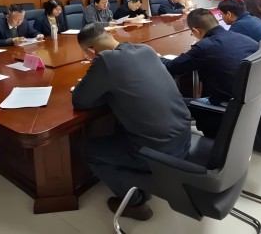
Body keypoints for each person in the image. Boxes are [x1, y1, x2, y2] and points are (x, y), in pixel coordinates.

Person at [73, 24, 191, 221]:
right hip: (184, 140)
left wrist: (103, 85)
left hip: (158, 151)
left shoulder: (105, 60)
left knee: (91, 150)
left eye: (86, 53)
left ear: (91, 50)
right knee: (120, 126)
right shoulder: (146, 50)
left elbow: (80, 100)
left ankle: (134, 204)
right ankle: (136, 179)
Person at [161, 8, 258, 106]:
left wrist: (157, 58)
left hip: (225, 106)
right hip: (252, 101)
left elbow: (172, 68)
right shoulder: (243, 38)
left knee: (172, 104)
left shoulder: (204, 46)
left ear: (195, 31)